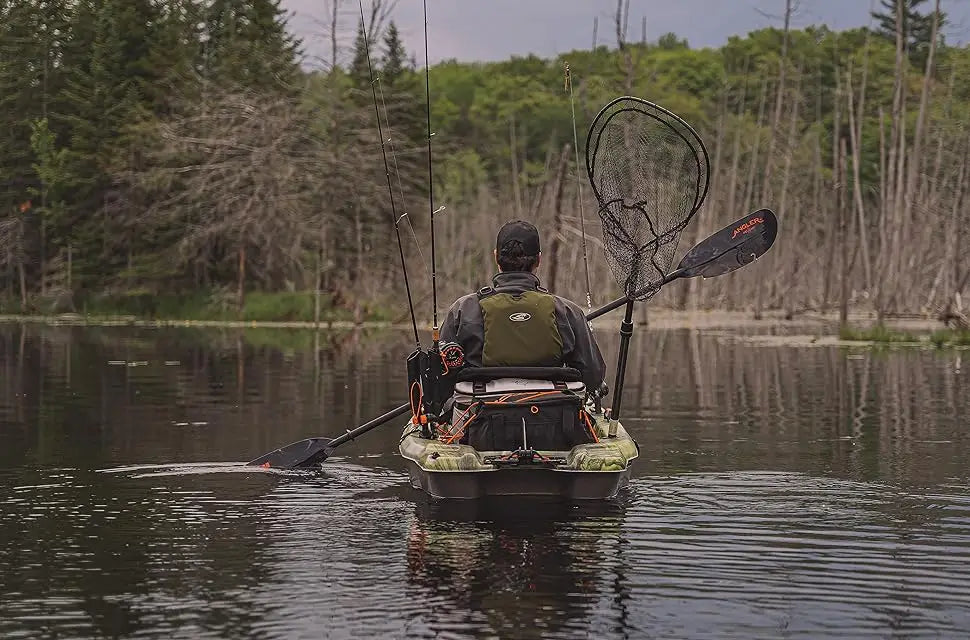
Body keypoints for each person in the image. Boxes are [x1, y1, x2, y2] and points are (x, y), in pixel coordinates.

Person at [440, 220, 607, 392]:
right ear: (539, 260)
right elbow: (593, 377)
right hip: (553, 415)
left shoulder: (462, 310)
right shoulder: (568, 312)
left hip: (479, 416)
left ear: (496, 256)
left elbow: (440, 376)